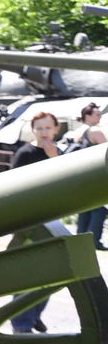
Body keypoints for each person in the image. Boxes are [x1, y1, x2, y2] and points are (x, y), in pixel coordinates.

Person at [10, 110, 63, 333]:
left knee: (51, 271)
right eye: (39, 128)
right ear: (33, 130)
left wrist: (53, 157)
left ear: (56, 129)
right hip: (28, 218)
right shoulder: (24, 153)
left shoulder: (58, 153)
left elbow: (66, 180)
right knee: (26, 272)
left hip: (51, 216)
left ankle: (35, 314)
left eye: (48, 128)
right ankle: (21, 322)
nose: (44, 132)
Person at [70, 102, 108, 249]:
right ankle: (94, 241)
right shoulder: (95, 131)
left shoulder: (78, 131)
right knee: (99, 209)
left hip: (81, 177)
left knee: (84, 209)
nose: (100, 117)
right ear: (88, 116)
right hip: (96, 176)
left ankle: (81, 239)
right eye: (97, 114)